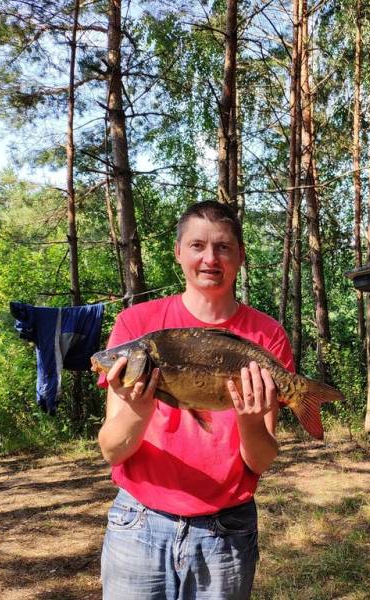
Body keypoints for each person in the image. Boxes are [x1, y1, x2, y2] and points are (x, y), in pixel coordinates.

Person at [97, 200, 294, 600]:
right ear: (178, 253)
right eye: (197, 246)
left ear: (240, 255)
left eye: (223, 247)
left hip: (227, 530)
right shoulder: (136, 325)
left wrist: (251, 420)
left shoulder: (266, 336)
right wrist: (138, 409)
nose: (210, 258)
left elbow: (261, 461)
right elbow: (112, 451)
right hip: (138, 522)